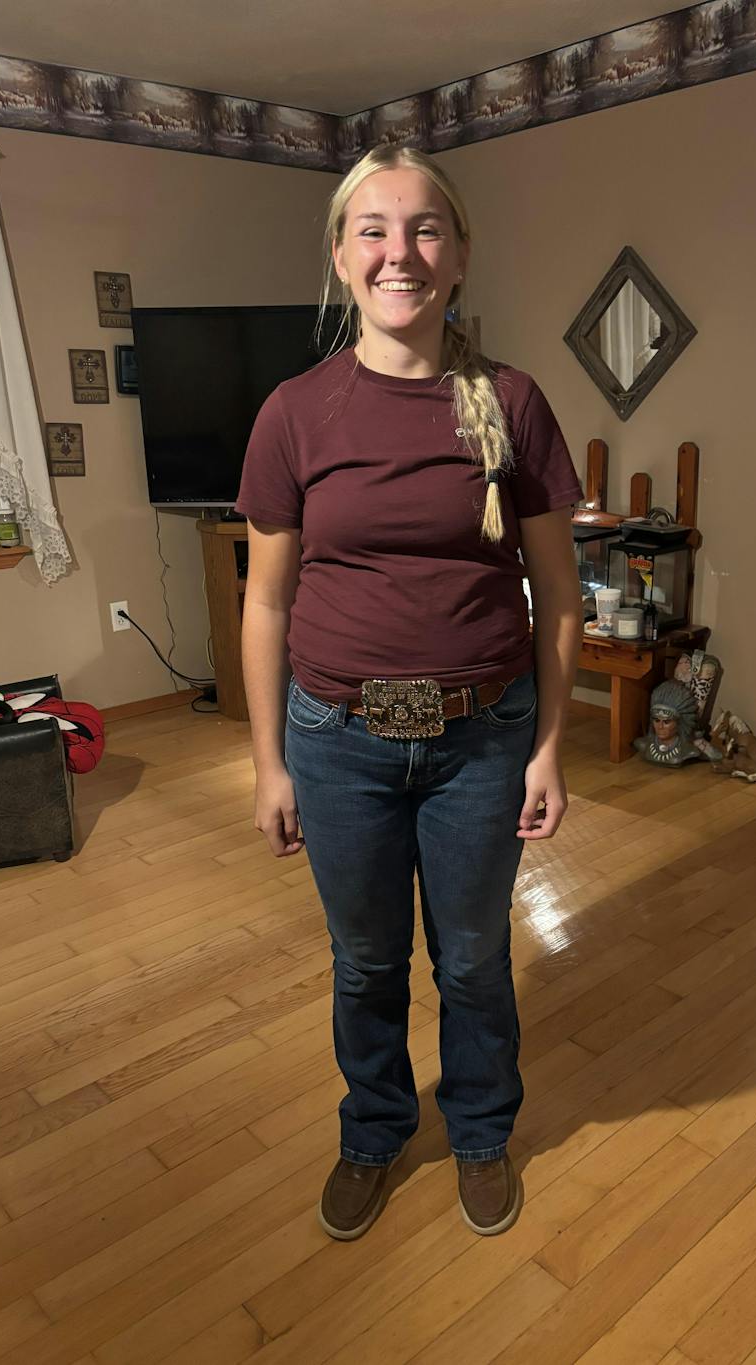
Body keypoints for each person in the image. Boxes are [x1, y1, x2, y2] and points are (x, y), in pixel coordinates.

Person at [235, 144, 584, 1242]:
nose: (401, 252)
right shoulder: (295, 413)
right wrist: (269, 764)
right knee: (367, 964)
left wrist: (549, 747)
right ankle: (376, 1129)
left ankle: (479, 1129)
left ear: (459, 254)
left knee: (474, 960)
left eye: (425, 228)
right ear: (342, 256)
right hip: (337, 741)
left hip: (483, 741)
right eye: (374, 230)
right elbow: (266, 603)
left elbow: (558, 595)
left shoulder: (512, 404)